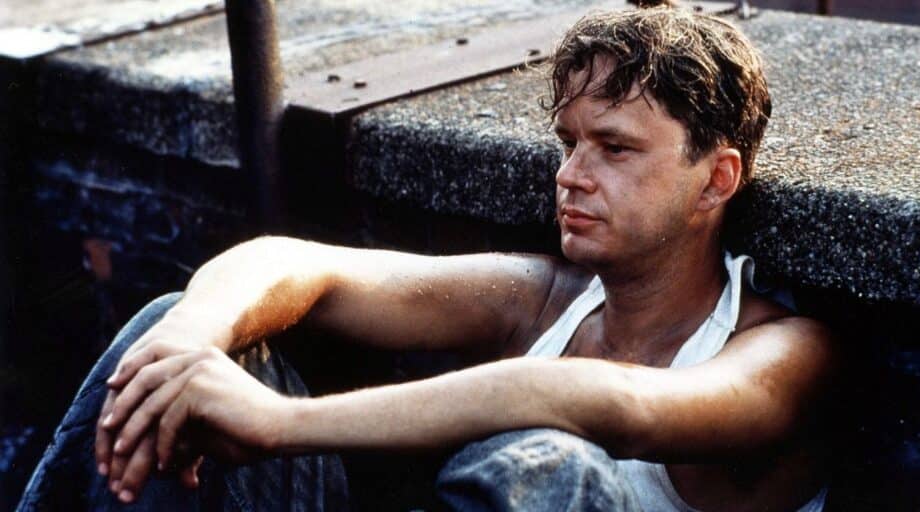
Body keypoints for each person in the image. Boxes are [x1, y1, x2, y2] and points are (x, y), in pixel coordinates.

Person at [20, 5, 838, 511]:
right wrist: (189, 340)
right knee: (176, 335)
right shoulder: (550, 298)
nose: (570, 175)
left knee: (550, 465)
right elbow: (293, 264)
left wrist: (279, 425)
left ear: (715, 179)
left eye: (614, 148)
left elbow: (619, 405)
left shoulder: (784, 353)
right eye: (569, 143)